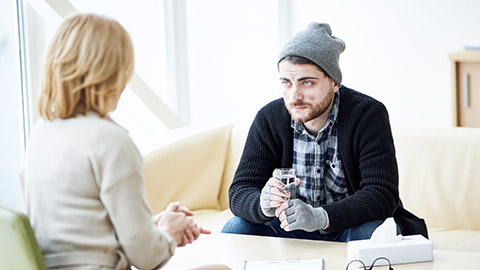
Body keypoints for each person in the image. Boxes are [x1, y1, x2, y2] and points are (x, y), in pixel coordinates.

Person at [20, 13, 229, 270]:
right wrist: (168, 235)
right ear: (111, 74)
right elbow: (147, 258)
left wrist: (151, 226)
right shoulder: (111, 141)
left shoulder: (41, 131)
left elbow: (80, 234)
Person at [221, 22, 428, 242]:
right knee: (236, 227)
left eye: (307, 83)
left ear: (334, 82)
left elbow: (382, 195)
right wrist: (262, 204)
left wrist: (321, 217)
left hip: (348, 227)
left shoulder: (368, 114)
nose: (294, 96)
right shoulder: (269, 118)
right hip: (288, 227)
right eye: (286, 82)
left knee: (375, 233)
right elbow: (240, 190)